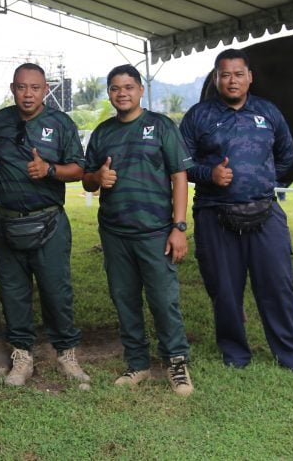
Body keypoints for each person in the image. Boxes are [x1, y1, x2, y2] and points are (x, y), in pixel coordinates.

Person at [0, 63, 90, 387]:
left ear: (45, 90)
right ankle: (22, 357)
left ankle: (66, 355)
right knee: (14, 294)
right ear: (13, 89)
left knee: (57, 293)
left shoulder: (60, 123)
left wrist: (50, 171)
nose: (27, 94)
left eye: (34, 88)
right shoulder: (0, 120)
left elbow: (80, 169)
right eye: (21, 87)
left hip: (49, 224)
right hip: (7, 223)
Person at [180, 48, 293, 378]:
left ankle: (292, 358)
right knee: (224, 288)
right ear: (216, 78)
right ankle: (235, 354)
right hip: (215, 213)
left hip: (266, 212)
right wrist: (209, 174)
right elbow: (180, 164)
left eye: (238, 74)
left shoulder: (268, 112)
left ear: (250, 77)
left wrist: (261, 179)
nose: (232, 80)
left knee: (278, 287)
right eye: (225, 74)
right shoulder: (199, 116)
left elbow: (286, 154)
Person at [82, 64, 194, 396]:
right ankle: (137, 364)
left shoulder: (160, 126)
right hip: (115, 233)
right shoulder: (102, 132)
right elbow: (87, 179)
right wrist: (98, 179)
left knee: (164, 299)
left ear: (141, 89)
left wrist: (179, 227)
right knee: (124, 299)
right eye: (115, 88)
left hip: (156, 232)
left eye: (128, 87)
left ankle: (176, 363)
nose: (122, 93)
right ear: (109, 93)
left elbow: (179, 176)